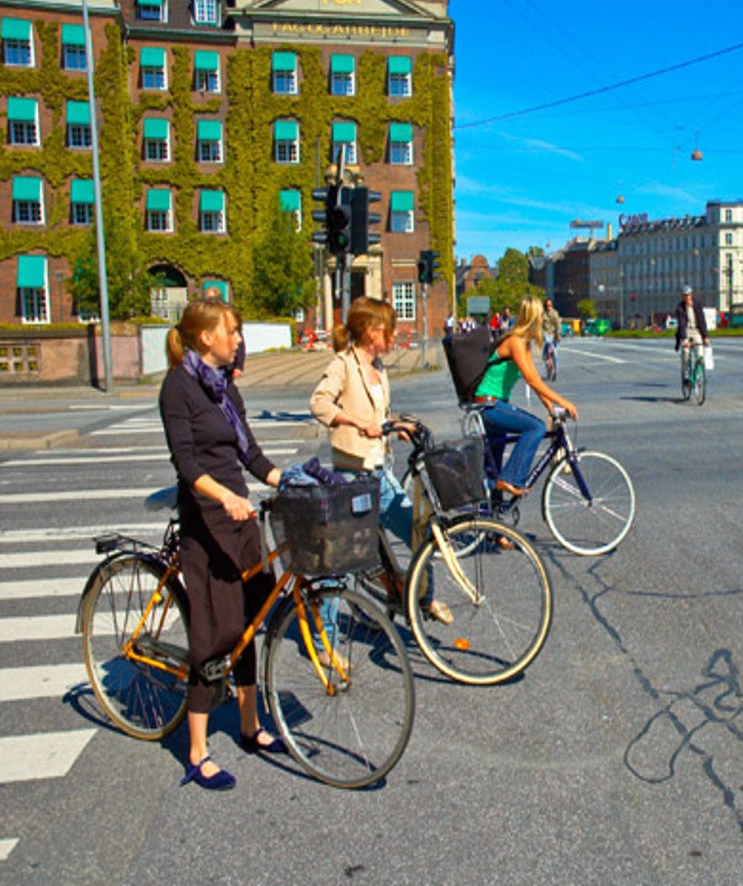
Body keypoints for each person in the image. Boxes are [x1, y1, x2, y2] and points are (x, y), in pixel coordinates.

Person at [159, 297, 284, 791]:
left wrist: (283, 478)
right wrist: (225, 497)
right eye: (231, 330)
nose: (238, 339)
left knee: (252, 620)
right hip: (207, 523)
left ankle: (251, 725)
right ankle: (197, 750)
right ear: (206, 337)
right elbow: (187, 465)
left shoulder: (224, 387)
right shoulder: (178, 388)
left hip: (241, 520)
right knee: (217, 632)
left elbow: (249, 451)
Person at [309, 297, 453, 625]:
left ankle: (423, 600)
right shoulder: (343, 364)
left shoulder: (378, 368)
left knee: (421, 535)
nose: (394, 336)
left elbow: (379, 415)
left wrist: (397, 426)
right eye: (389, 330)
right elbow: (319, 404)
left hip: (379, 473)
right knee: (341, 563)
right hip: (351, 476)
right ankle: (325, 637)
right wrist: (357, 424)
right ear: (372, 332)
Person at [475, 294, 577, 497]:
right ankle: (511, 478)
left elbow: (536, 379)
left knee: (493, 468)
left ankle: (491, 521)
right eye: (540, 316)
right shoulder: (515, 342)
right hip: (488, 404)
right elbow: (532, 380)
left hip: (494, 404)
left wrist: (552, 409)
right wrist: (563, 402)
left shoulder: (524, 344)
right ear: (533, 317)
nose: (543, 320)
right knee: (535, 427)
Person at [673, 285, 710, 383]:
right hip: (686, 331)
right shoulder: (680, 308)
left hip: (696, 331)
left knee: (700, 352)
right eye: (685, 296)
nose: (687, 298)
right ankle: (686, 374)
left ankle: (698, 373)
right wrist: (684, 340)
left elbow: (702, 320)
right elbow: (681, 325)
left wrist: (705, 336)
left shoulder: (697, 304)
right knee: (686, 353)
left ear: (691, 295)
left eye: (688, 295)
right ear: (682, 297)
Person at [541, 298, 561, 371]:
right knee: (547, 343)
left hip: (553, 333)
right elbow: (540, 325)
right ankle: (545, 355)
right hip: (545, 332)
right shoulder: (543, 314)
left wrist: (558, 333)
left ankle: (555, 367)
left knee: (555, 351)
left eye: (550, 305)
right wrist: (541, 334)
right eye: (547, 306)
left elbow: (558, 324)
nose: (548, 307)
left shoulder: (555, 313)